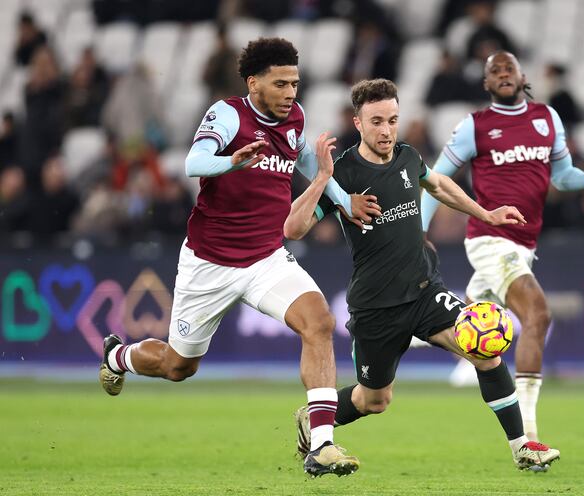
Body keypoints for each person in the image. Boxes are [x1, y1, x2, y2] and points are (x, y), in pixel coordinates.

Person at [98, 37, 381, 478]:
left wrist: (343, 199)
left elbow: (305, 157)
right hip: (209, 262)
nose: (291, 92)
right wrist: (232, 161)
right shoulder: (229, 114)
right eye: (281, 83)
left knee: (319, 322)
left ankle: (322, 445)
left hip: (266, 257)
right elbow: (193, 162)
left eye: (295, 83)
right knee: (178, 367)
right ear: (254, 82)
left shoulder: (296, 118)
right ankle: (118, 357)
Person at [285, 78, 559, 471]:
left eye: (392, 120)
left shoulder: (407, 156)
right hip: (376, 306)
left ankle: (522, 447)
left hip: (426, 291)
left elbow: (439, 185)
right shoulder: (343, 173)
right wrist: (323, 178)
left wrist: (486, 214)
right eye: (376, 121)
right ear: (358, 123)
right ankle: (313, 419)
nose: (386, 130)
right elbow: (293, 230)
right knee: (374, 400)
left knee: (484, 349)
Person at [419, 51, 584, 459]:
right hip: (490, 239)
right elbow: (435, 178)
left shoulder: (547, 118)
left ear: (523, 76)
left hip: (525, 246)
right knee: (537, 315)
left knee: (467, 325)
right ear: (487, 84)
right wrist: (417, 229)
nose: (503, 74)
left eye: (509, 68)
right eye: (494, 71)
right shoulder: (476, 126)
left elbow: (561, 174)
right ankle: (528, 436)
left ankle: (406, 332)